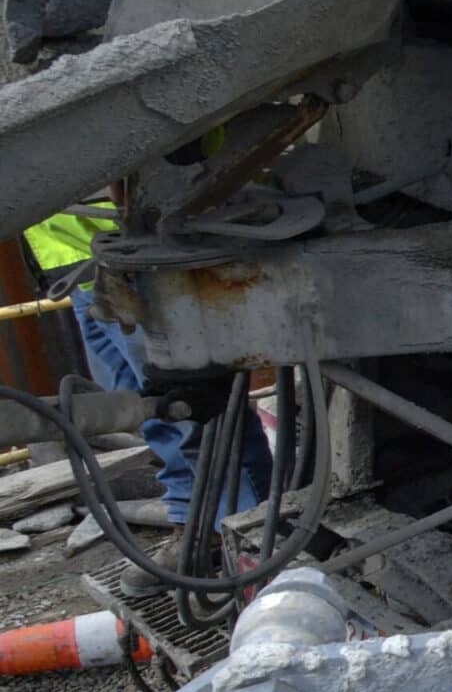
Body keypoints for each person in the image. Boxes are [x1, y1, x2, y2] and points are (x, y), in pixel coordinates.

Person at [23, 192, 273, 595]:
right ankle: (193, 522)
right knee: (150, 410)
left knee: (195, 407)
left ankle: (254, 536)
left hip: (138, 250)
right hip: (81, 265)